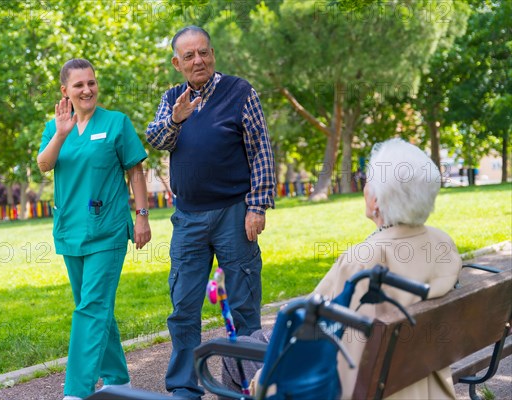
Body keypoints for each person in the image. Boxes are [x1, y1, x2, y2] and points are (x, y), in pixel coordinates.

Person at [222, 138, 462, 399]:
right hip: (417, 378)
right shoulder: (442, 243)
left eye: (369, 180)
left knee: (232, 350)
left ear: (378, 201)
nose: (364, 187)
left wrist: (261, 382)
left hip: (348, 383)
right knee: (258, 337)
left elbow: (309, 335)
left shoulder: (365, 259)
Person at [145, 26, 276, 399]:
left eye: (203, 53)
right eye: (189, 56)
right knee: (183, 306)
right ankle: (185, 386)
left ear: (213, 54)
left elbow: (261, 150)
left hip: (235, 213)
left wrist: (257, 205)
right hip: (188, 218)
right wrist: (176, 118)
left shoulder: (240, 91)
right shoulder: (173, 98)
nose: (198, 60)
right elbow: (155, 138)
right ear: (177, 63)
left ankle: (251, 383)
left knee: (243, 303)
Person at [37, 58, 151, 400]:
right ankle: (117, 379)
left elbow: (135, 172)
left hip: (109, 230)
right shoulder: (54, 127)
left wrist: (142, 215)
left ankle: (76, 390)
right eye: (78, 85)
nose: (87, 90)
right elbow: (44, 164)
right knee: (94, 306)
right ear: (65, 91)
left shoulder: (117, 123)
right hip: (70, 229)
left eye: (91, 82)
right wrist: (60, 134)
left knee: (90, 308)